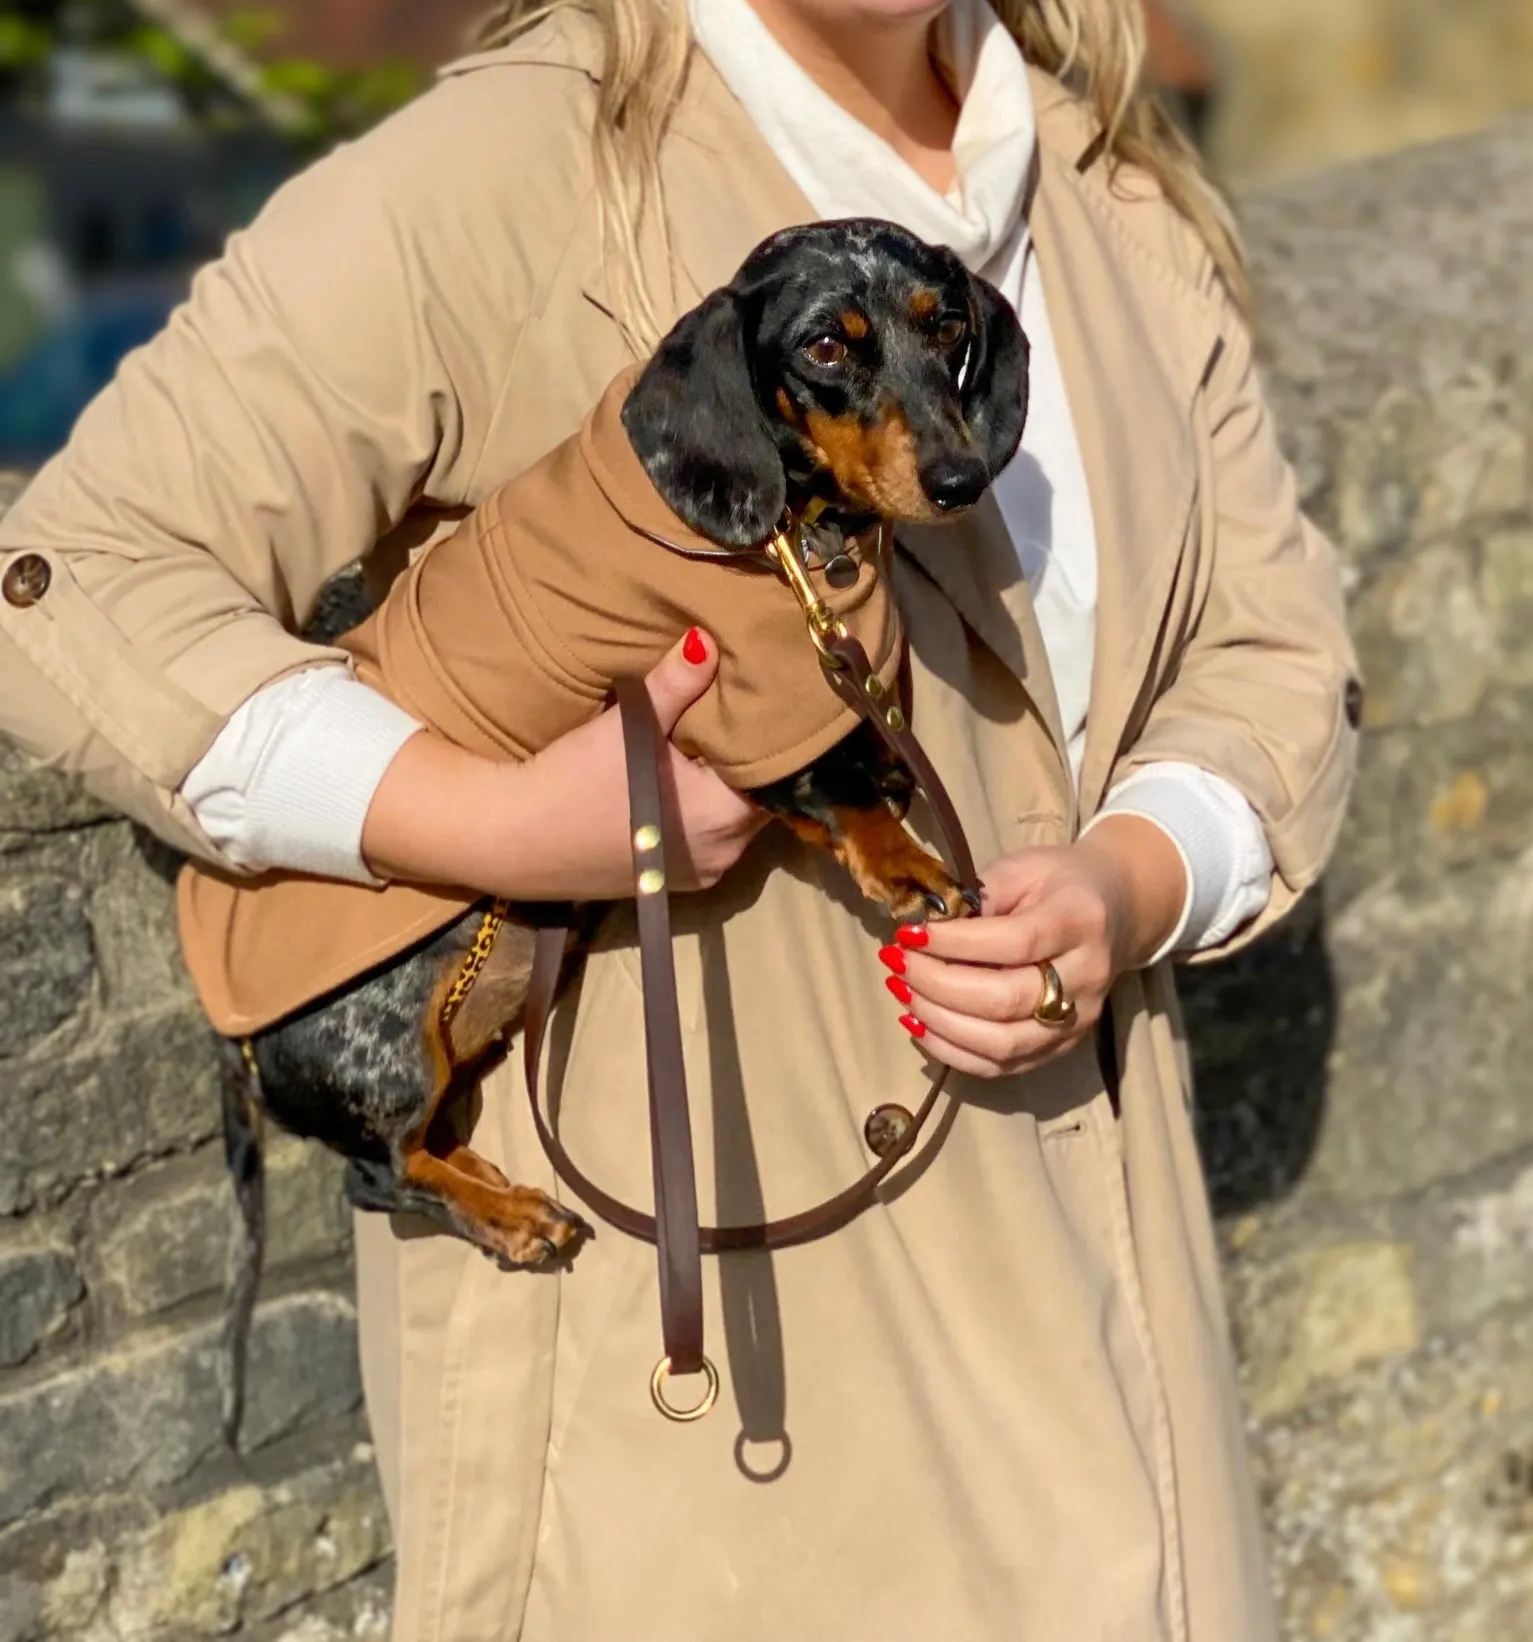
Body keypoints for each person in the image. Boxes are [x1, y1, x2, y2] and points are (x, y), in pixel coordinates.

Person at [0, 0, 1359, 1637]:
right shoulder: (524, 155)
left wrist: (1134, 876)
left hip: (1102, 1296)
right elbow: (72, 582)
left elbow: (1271, 649)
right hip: (715, 1377)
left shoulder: (1099, 190)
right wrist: (495, 822)